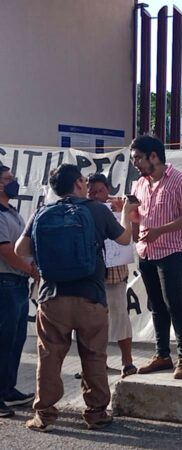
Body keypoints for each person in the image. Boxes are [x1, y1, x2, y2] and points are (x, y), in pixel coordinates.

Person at [14, 164, 134, 431]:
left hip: (52, 296)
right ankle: (96, 413)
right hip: (90, 295)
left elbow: (21, 249)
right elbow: (125, 239)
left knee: (49, 357)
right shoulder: (96, 210)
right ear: (80, 183)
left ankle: (44, 415)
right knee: (93, 355)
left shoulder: (43, 212)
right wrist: (126, 212)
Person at [128, 135, 182, 380]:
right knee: (156, 306)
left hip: (173, 252)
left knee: (174, 303)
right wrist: (131, 219)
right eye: (133, 159)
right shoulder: (139, 184)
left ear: (154, 156)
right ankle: (162, 355)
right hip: (146, 252)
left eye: (138, 157)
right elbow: (138, 214)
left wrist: (160, 230)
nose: (135, 163)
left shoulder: (179, 181)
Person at [88, 173, 137, 378]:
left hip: (115, 274)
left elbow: (130, 232)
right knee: (91, 322)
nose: (97, 195)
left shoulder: (119, 207)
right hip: (92, 276)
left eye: (100, 191)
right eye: (92, 192)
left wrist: (123, 212)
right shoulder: (83, 210)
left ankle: (127, 361)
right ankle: (97, 363)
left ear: (108, 189)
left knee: (120, 317)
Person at [0, 166, 37, 418]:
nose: (13, 183)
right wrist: (31, 269)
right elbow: (5, 250)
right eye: (7, 179)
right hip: (5, 282)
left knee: (15, 339)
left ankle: (7, 389)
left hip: (18, 283)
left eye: (13, 178)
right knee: (3, 340)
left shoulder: (11, 211)